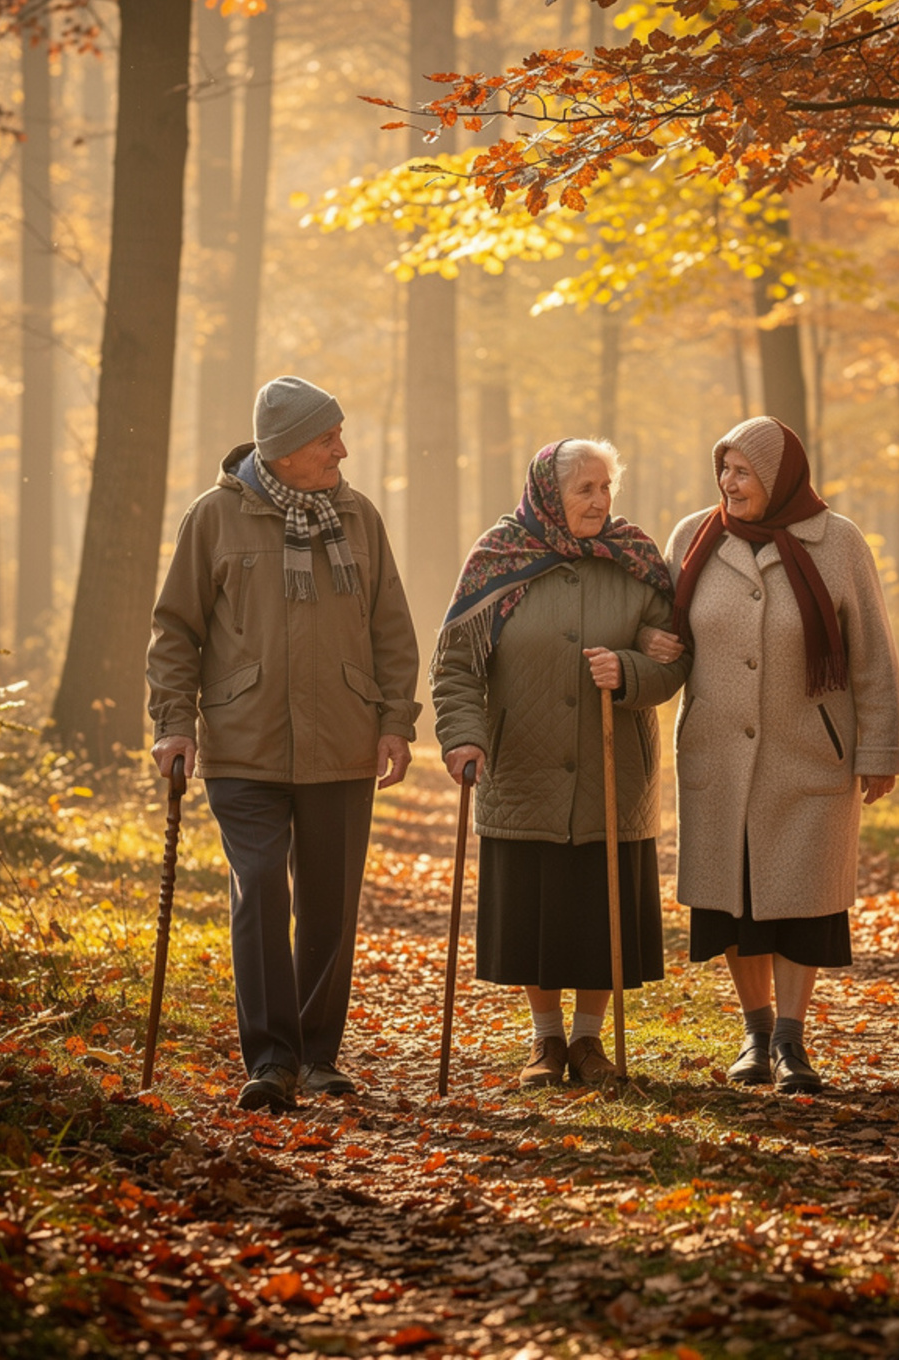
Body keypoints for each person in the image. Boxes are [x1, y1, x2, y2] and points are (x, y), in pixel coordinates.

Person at [148, 376, 421, 1113]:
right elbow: (176, 630)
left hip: (342, 736)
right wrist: (173, 721)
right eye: (325, 436)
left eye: (338, 433)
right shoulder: (213, 518)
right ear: (284, 449)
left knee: (329, 902)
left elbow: (391, 626)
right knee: (261, 888)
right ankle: (272, 1058)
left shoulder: (358, 516)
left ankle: (317, 1055)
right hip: (244, 741)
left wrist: (396, 718)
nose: (341, 448)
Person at [644, 417, 899, 1093]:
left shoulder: (837, 541)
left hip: (808, 755)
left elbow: (874, 653)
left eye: (743, 472)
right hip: (717, 757)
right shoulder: (693, 537)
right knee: (734, 906)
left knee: (802, 904)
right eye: (723, 470)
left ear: (780, 477)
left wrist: (879, 747)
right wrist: (651, 647)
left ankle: (792, 1042)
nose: (729, 484)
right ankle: (755, 1035)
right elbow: (666, 625)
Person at [431, 439, 689, 1088]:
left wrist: (631, 668)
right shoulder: (500, 558)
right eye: (585, 489)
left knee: (599, 911)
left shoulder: (635, 559)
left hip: (613, 768)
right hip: (524, 765)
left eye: (606, 488)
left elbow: (675, 662)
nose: (600, 501)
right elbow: (458, 663)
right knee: (535, 912)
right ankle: (545, 1043)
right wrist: (463, 737)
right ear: (550, 492)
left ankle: (587, 1042)